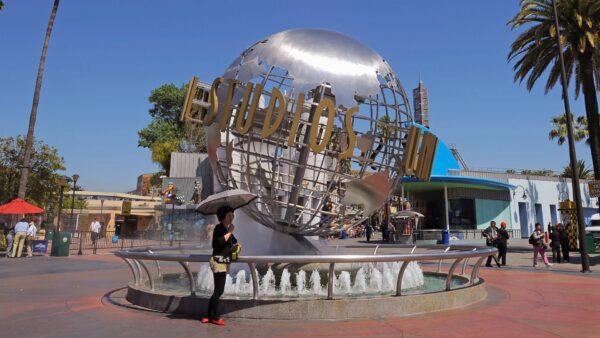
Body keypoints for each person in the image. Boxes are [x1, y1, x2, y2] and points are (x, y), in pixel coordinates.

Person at [201, 206, 239, 326]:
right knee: (219, 290)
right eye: (229, 215)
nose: (232, 217)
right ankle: (214, 317)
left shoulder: (226, 229)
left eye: (232, 215)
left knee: (218, 290)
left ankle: (208, 316)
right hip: (218, 261)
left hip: (223, 261)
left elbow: (233, 241)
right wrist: (230, 232)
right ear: (223, 217)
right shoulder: (219, 228)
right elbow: (218, 243)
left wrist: (235, 243)